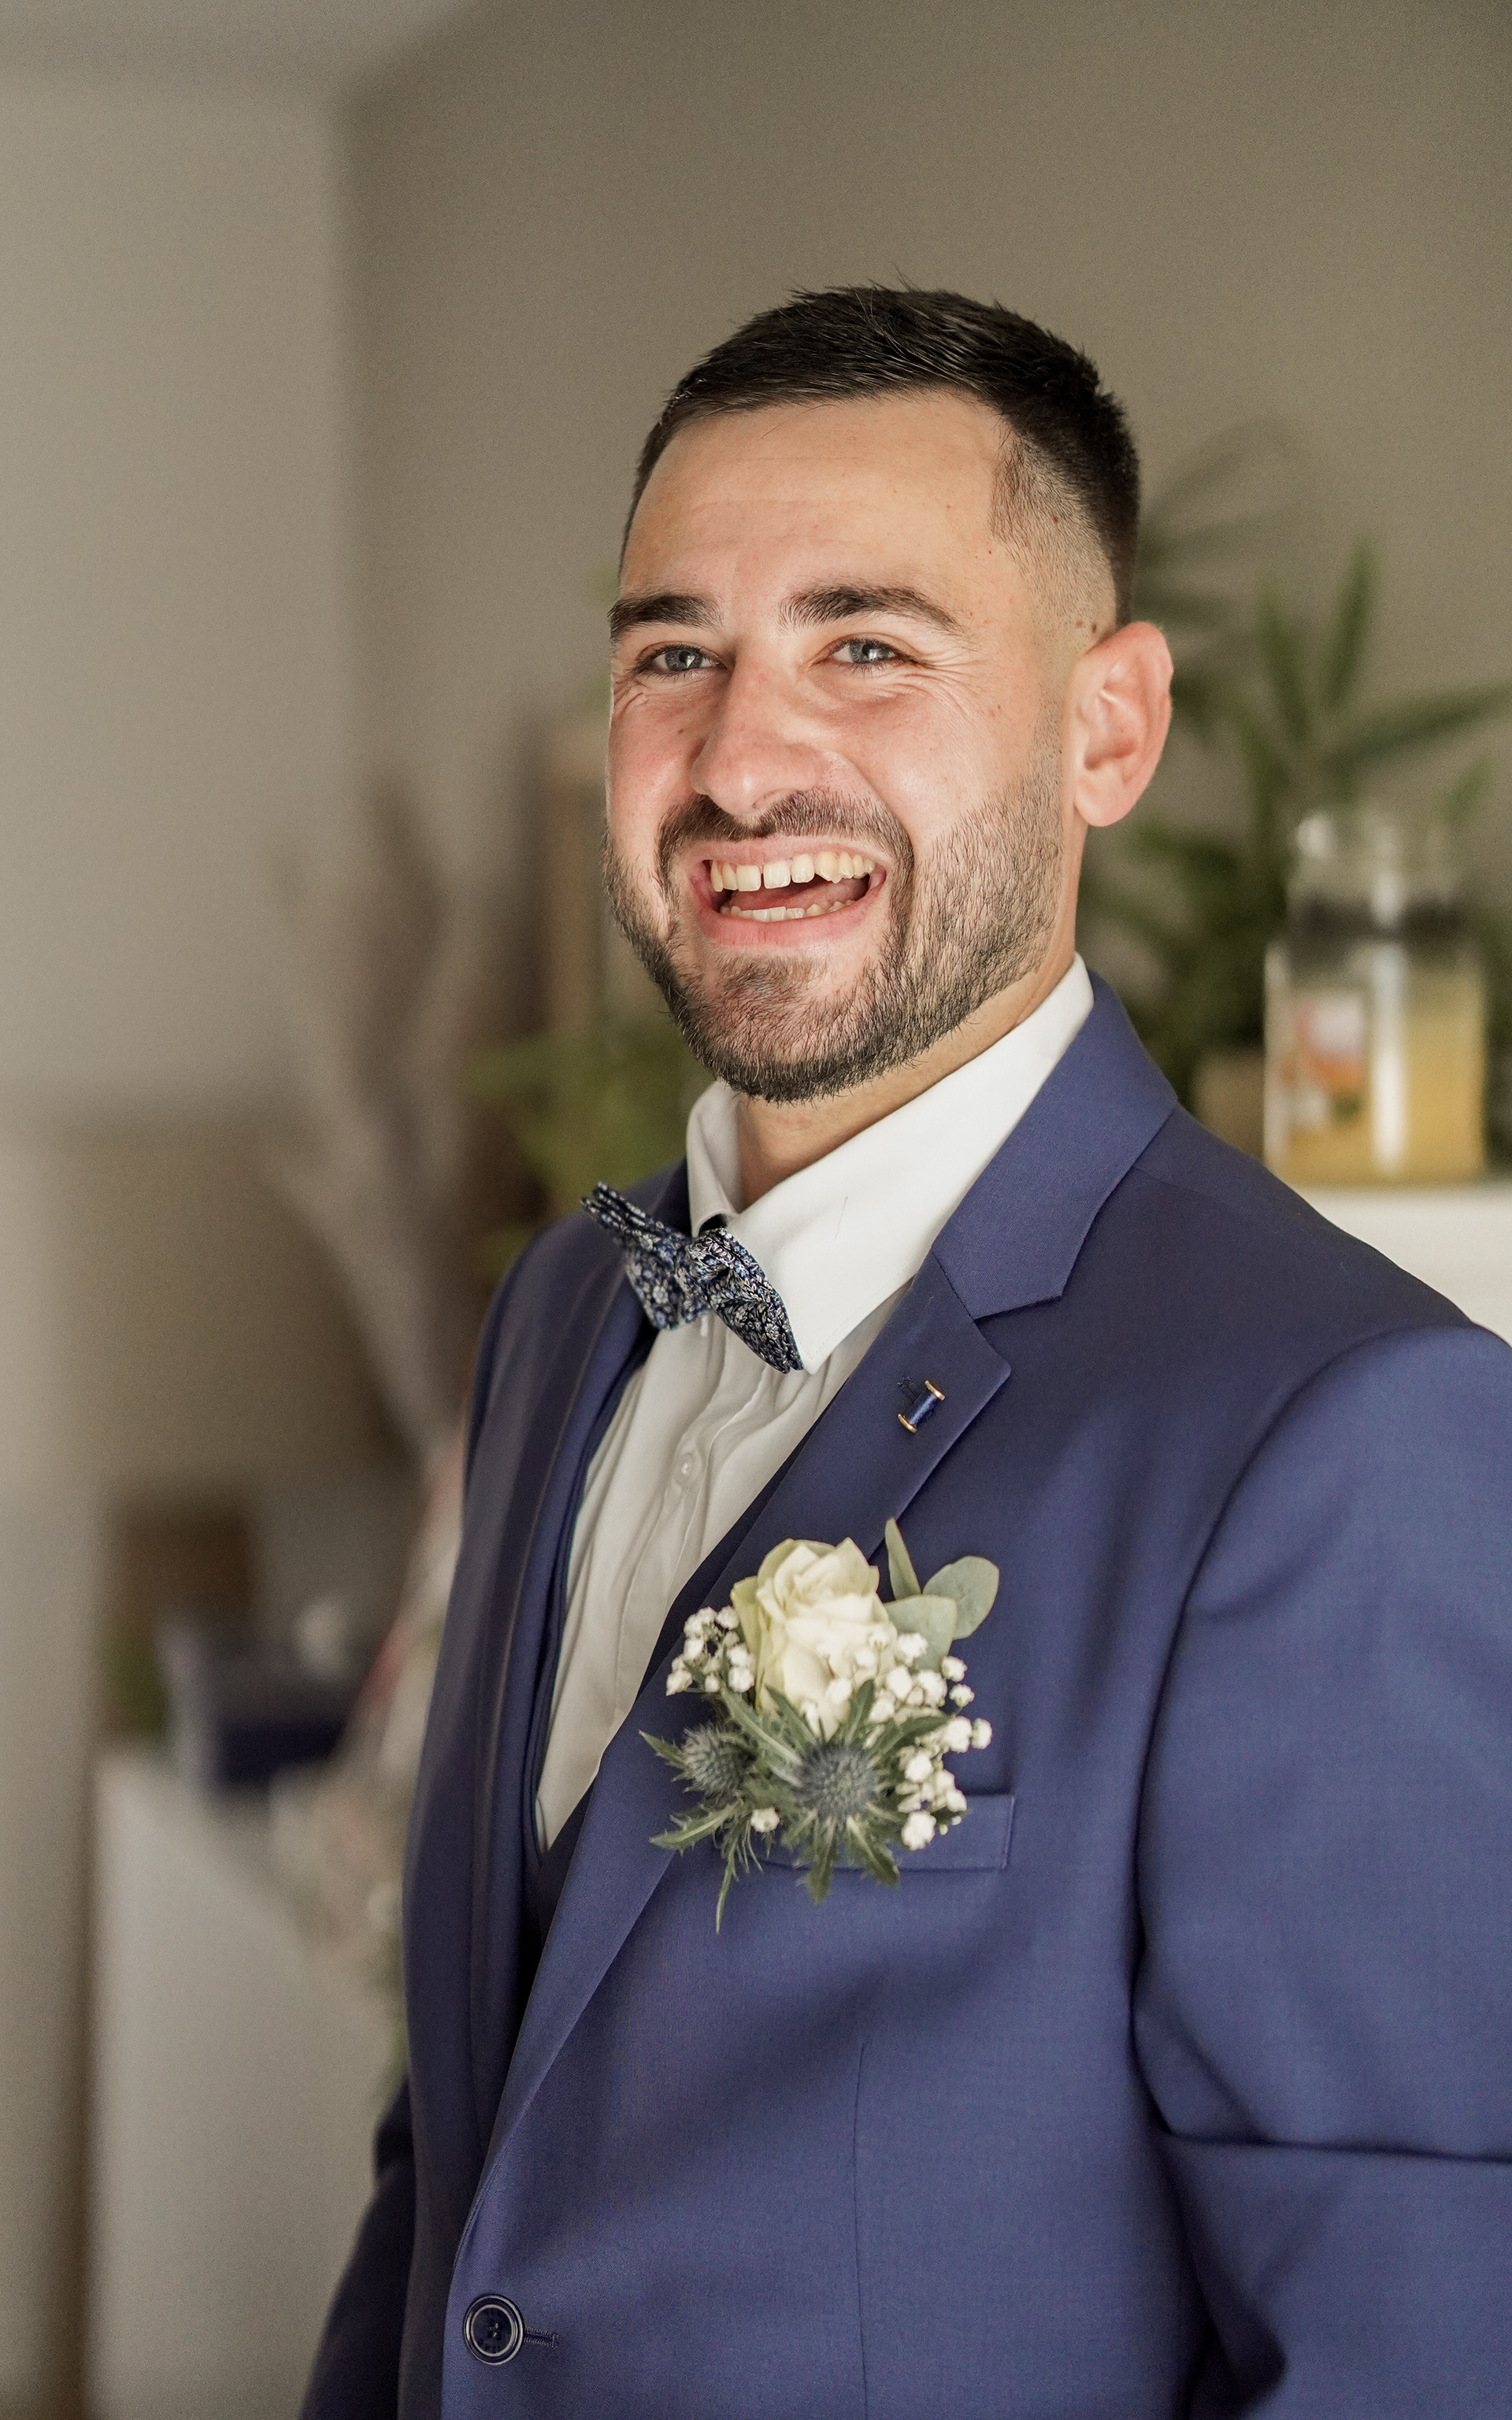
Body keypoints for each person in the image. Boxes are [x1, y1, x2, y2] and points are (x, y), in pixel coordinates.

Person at [303, 288, 1512, 2420]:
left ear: (1109, 729)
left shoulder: (1343, 1435)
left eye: (866, 645)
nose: (737, 759)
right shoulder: (564, 1312)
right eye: (671, 655)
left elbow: (1399, 2351)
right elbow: (464, 2143)